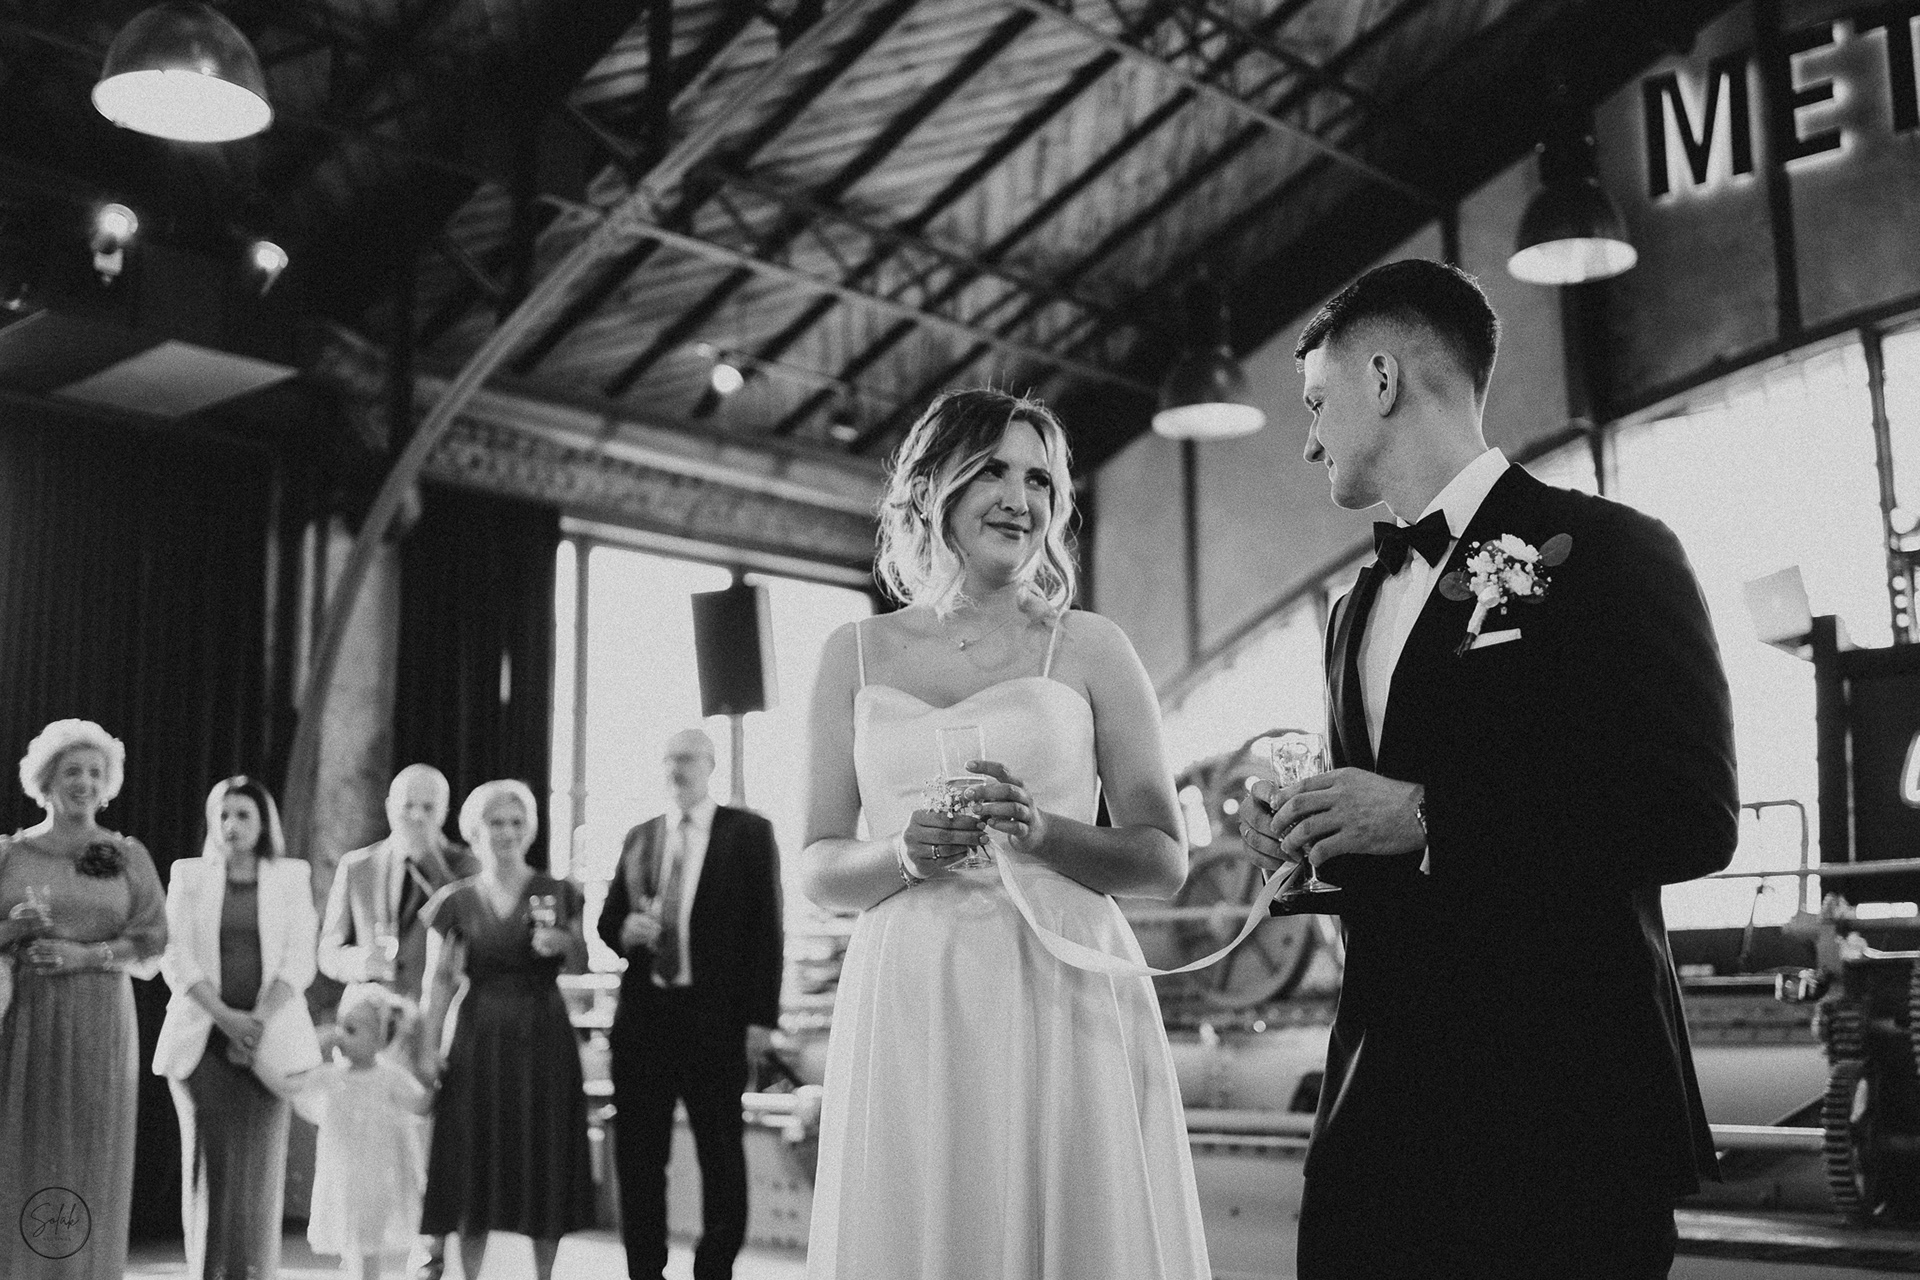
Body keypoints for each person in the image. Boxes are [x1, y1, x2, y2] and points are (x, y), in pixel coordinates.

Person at [1237, 259, 1738, 1280]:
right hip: (1379, 1116)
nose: (1309, 440)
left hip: (1563, 1108)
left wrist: (1431, 816)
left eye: (1317, 403)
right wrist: (1311, 836)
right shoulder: (1353, 610)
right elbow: (1383, 838)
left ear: (1382, 380)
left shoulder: (1611, 552)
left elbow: (1692, 812)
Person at [797, 389, 1209, 1279]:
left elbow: (1163, 859)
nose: (1020, 499)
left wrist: (1043, 829)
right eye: (992, 471)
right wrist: (901, 854)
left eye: (1040, 479)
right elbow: (820, 864)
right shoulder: (851, 653)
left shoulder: (1092, 647)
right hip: (912, 989)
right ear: (930, 486)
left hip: (1059, 979)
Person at [596, 728, 784, 1280]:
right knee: (639, 1157)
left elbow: (767, 930)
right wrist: (624, 931)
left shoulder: (747, 833)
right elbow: (608, 921)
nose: (676, 769)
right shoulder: (640, 836)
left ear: (711, 765)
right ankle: (644, 1269)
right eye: (668, 760)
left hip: (716, 1021)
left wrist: (761, 1020)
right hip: (644, 1021)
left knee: (720, 1153)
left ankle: (714, 1269)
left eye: (687, 759)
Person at [0, 719, 167, 1280]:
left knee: (93, 1146)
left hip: (100, 1019)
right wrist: (11, 927)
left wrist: (85, 956)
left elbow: (152, 940)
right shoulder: (10, 854)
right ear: (46, 780)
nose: (85, 782)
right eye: (73, 771)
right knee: (24, 1145)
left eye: (96, 772)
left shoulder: (126, 855)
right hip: (23, 1017)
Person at [418, 779, 591, 1280]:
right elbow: (438, 981)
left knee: (544, 1152)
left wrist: (563, 944)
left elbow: (581, 963)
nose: (507, 832)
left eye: (517, 822)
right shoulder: (454, 901)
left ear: (531, 830)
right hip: (478, 1036)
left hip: (544, 1036)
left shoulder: (560, 892)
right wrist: (428, 1047)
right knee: (471, 1155)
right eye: (495, 822)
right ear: (474, 830)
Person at [154, 775, 320, 1280]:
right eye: (222, 815)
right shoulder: (188, 875)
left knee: (261, 1171)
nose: (231, 825)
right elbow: (175, 956)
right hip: (204, 1040)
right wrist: (227, 1020)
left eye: (243, 815)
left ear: (264, 823)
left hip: (271, 1043)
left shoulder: (291, 876)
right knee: (212, 1170)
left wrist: (257, 1025)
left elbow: (300, 960)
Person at [319, 763, 478, 1280]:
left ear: (445, 813)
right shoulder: (358, 866)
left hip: (432, 1021)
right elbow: (328, 950)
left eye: (428, 807)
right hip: (369, 1025)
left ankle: (429, 1253)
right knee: (364, 1146)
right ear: (389, 806)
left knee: (427, 1141)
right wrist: (357, 962)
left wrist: (435, 866)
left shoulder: (464, 864)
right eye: (407, 804)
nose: (416, 815)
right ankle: (361, 1257)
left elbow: (472, 930)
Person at [300, 984, 434, 1280]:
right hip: (343, 1177)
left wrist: (432, 1077)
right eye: (340, 1026)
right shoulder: (332, 1076)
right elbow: (295, 1088)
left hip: (377, 1177)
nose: (340, 1035)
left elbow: (421, 1105)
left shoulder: (389, 1077)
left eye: (351, 1029)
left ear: (378, 1037)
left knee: (368, 1244)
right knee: (351, 1244)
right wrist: (318, 1045)